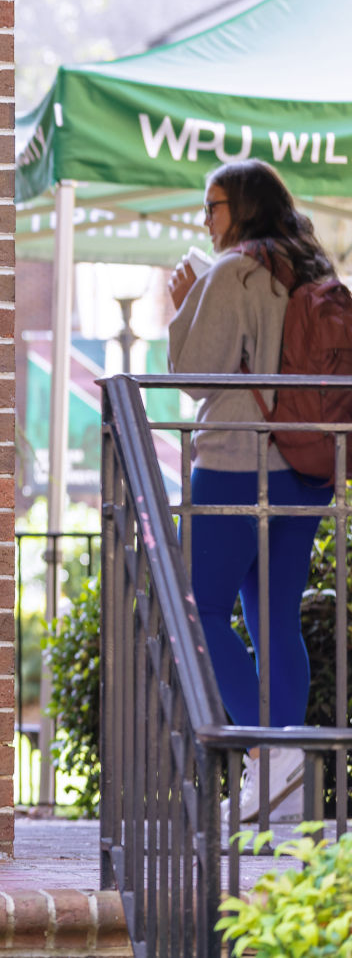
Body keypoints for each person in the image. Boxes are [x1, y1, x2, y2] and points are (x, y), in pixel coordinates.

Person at [166, 158, 333, 821]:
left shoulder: (234, 272)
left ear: (243, 207)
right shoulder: (312, 270)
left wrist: (183, 304)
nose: (206, 220)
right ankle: (285, 780)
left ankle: (270, 757)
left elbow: (193, 371)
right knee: (273, 618)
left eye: (212, 206)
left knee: (193, 609)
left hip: (237, 459)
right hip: (308, 467)